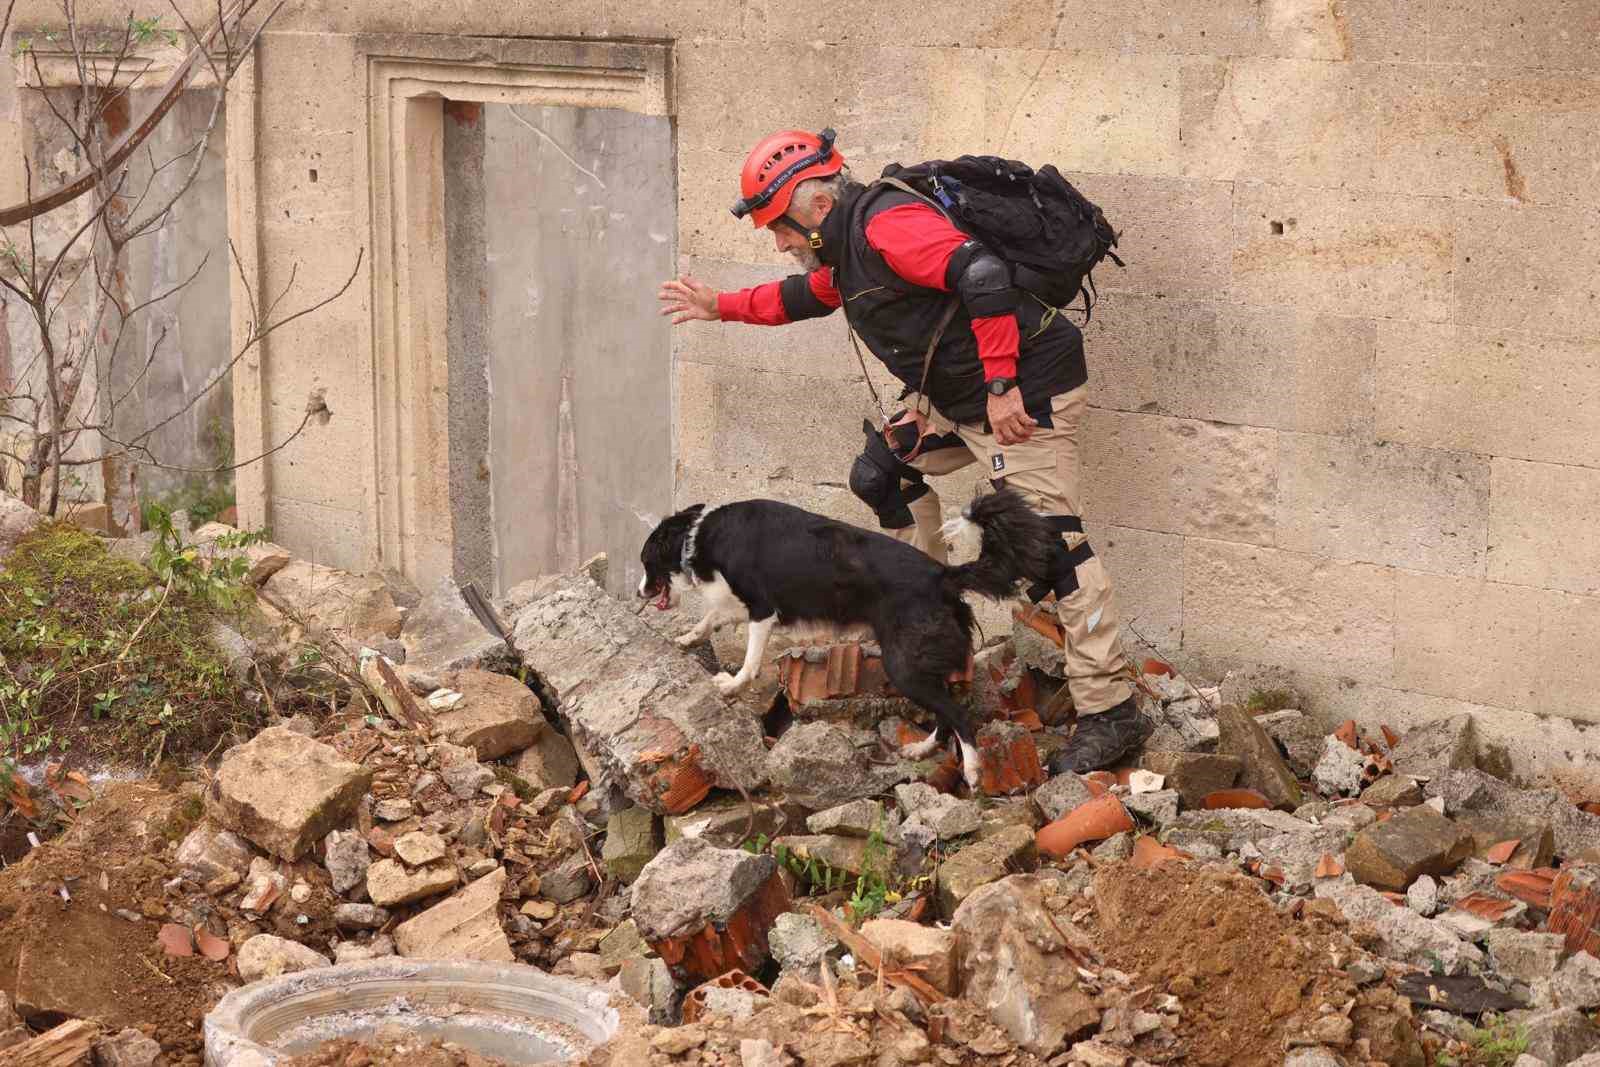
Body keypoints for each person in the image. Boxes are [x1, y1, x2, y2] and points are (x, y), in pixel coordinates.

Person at [657, 128, 1148, 774]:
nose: (777, 243)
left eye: (778, 228)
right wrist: (719, 306)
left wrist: (1002, 382)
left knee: (1055, 548)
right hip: (959, 397)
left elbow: (982, 273)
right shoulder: (845, 252)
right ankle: (929, 612)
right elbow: (802, 297)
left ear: (815, 208)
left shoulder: (886, 227)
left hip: (1024, 392)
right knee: (880, 472)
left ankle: (1111, 711)